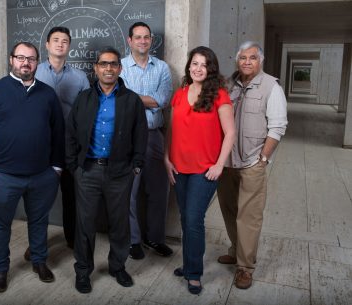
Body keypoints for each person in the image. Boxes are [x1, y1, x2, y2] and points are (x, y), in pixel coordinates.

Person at [0, 42, 65, 293]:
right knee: (1, 225)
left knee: (39, 221)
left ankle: (39, 261)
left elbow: (59, 132)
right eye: (21, 58)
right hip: (4, 176)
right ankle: (1, 270)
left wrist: (56, 167)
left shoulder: (47, 94)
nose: (26, 63)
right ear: (11, 60)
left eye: (31, 59)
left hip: (42, 175)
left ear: (38, 62)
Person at [66, 46, 148, 293]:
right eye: (103, 64)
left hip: (119, 173)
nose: (108, 68)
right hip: (88, 171)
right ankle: (83, 271)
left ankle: (117, 267)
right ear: (96, 68)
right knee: (85, 224)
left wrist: (135, 166)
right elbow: (70, 133)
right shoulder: (84, 98)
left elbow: (141, 135)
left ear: (119, 68)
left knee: (119, 223)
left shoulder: (132, 100)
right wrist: (74, 166)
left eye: (113, 64)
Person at [164, 46, 235, 294]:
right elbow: (171, 131)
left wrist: (219, 164)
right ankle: (188, 264)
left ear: (211, 69)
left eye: (203, 65)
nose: (198, 68)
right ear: (189, 66)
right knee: (185, 218)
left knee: (193, 220)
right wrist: (166, 159)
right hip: (179, 166)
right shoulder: (180, 94)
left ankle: (193, 274)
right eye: (194, 63)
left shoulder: (220, 96)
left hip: (205, 170)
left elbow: (230, 133)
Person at [217, 41, 288, 289]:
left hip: (252, 162)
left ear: (261, 61)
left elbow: (278, 126)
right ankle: (237, 251)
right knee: (228, 209)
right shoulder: (227, 85)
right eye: (243, 57)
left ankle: (245, 267)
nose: (247, 62)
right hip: (226, 162)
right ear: (237, 60)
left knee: (249, 216)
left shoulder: (271, 87)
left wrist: (264, 158)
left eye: (252, 58)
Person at [22, 26, 89, 261]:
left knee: (72, 195)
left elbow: (86, 112)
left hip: (70, 145)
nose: (60, 44)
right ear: (47, 45)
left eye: (65, 41)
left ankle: (72, 238)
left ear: (69, 46)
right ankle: (36, 243)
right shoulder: (34, 73)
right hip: (41, 144)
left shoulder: (80, 77)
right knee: (39, 197)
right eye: (56, 40)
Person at [120, 22, 173, 260]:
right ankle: (132, 241)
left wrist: (132, 98)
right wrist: (144, 100)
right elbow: (119, 99)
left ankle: (155, 238)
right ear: (129, 41)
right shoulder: (118, 66)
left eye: (147, 37)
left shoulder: (162, 68)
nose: (143, 41)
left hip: (154, 136)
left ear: (151, 41)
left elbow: (163, 100)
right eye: (138, 37)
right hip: (127, 138)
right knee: (129, 192)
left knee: (159, 190)